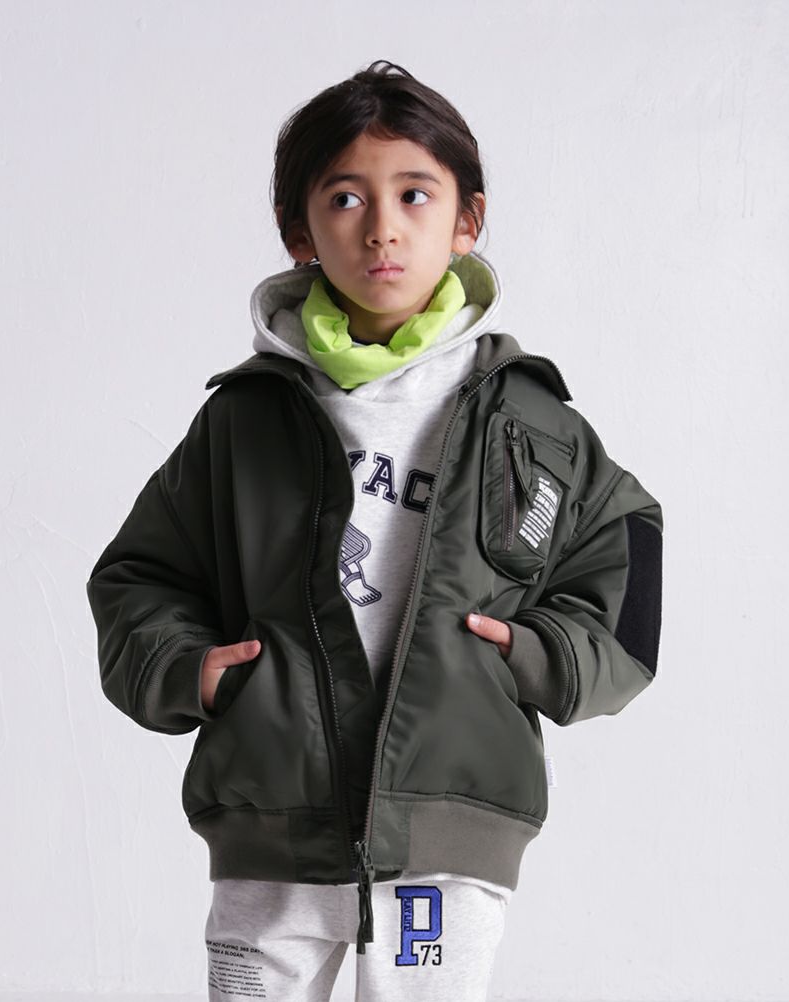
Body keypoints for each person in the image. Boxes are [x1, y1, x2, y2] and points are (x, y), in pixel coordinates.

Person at [86, 59, 664, 1002]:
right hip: (270, 818)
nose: (382, 227)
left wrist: (534, 656)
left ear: (467, 220)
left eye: (414, 195)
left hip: (451, 821)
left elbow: (623, 554)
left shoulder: (528, 420)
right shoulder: (246, 420)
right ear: (300, 232)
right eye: (346, 197)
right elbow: (139, 574)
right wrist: (193, 671)